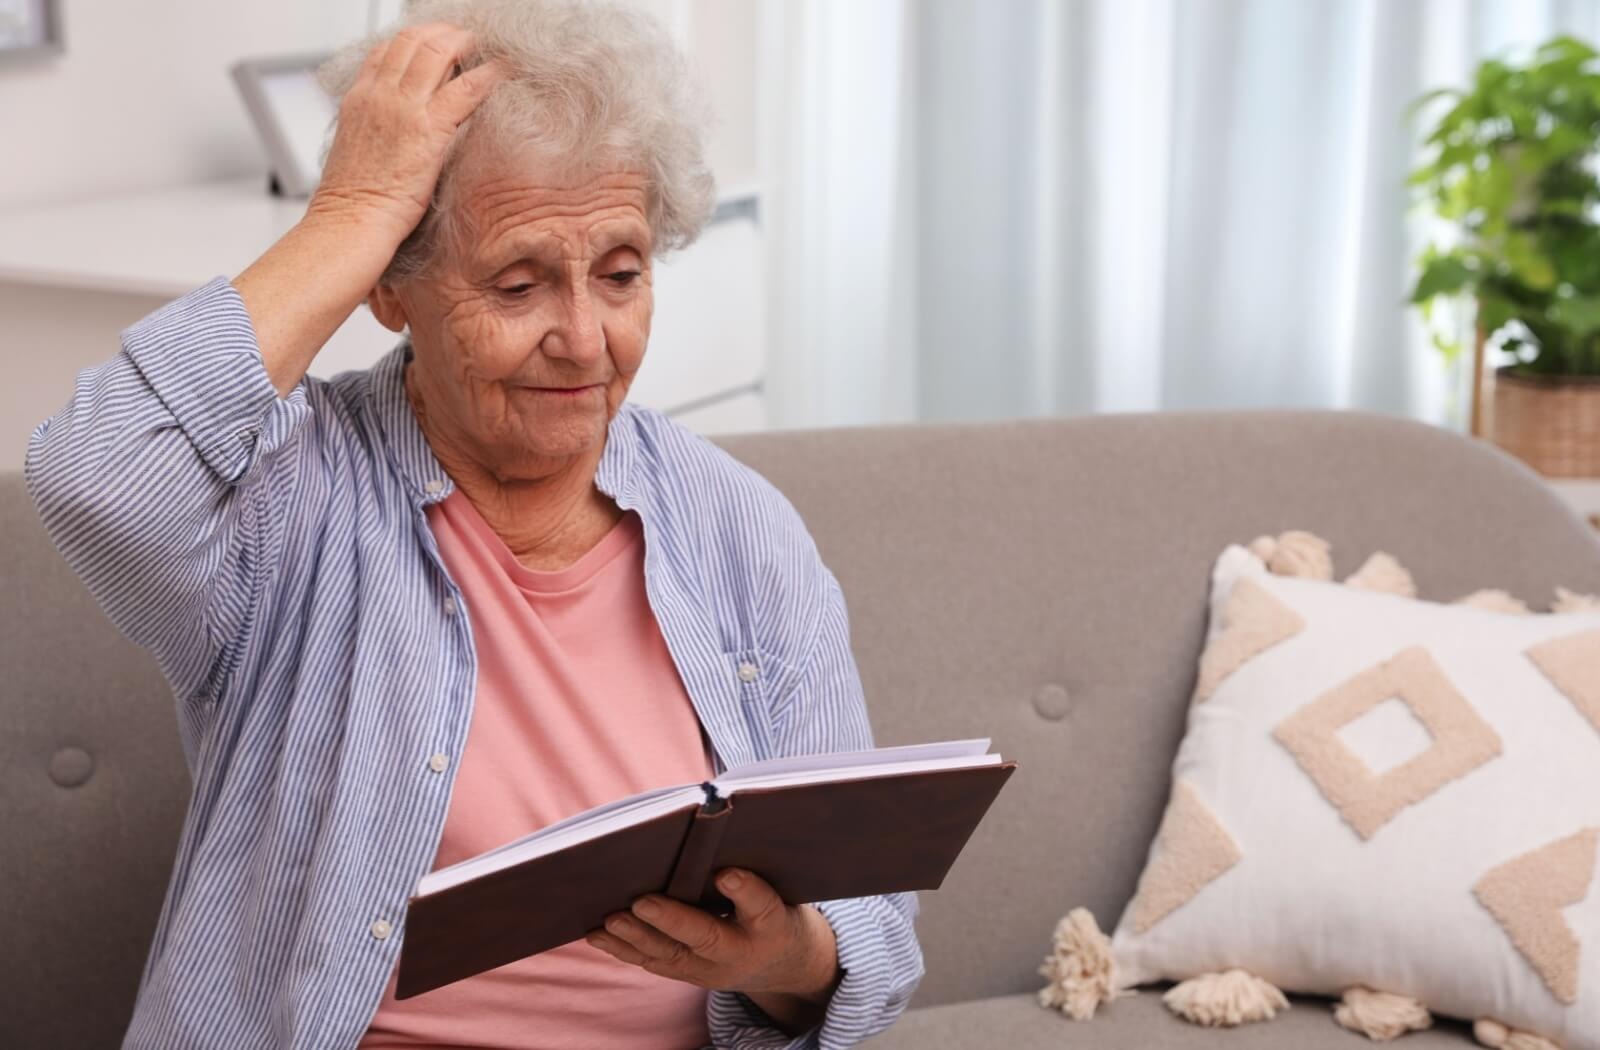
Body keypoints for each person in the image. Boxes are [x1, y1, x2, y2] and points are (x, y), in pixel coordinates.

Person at [24, 1, 921, 1046]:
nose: (583, 339)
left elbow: (873, 930)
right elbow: (96, 474)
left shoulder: (742, 533)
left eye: (622, 274)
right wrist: (352, 210)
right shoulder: (289, 502)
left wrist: (788, 957)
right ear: (391, 290)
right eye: (517, 282)